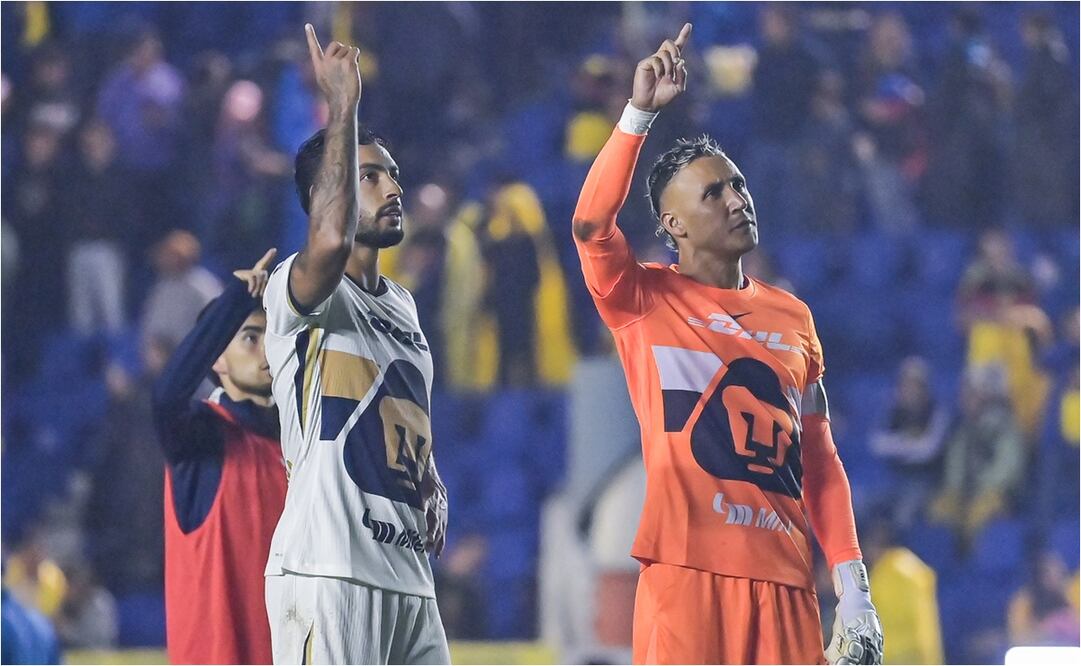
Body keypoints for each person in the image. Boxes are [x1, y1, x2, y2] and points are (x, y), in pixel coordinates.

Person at [571, 24, 883, 664]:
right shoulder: (642, 300)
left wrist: (853, 587)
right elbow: (590, 224)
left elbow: (818, 458)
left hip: (787, 581)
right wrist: (638, 116)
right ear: (672, 224)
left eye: (738, 184)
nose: (737, 199)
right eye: (713, 193)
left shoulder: (793, 317)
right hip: (686, 573)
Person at [262, 25, 449, 665]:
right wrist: (343, 106)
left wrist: (431, 479)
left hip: (409, 579)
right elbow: (331, 243)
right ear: (328, 198)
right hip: (326, 570)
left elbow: (400, 414)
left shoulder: (402, 305)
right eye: (370, 177)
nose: (394, 189)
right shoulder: (299, 288)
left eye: (394, 176)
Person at [151, 249, 287, 664]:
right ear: (217, 359)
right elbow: (167, 396)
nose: (267, 351)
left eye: (272, 336)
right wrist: (235, 301)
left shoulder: (302, 449)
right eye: (250, 337)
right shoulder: (203, 436)